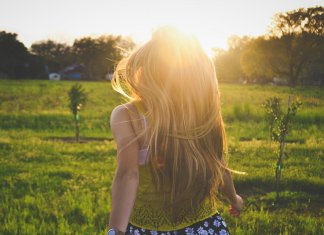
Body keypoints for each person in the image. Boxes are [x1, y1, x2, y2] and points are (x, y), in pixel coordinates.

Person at [108, 26, 243, 235]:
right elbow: (218, 163)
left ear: (145, 68)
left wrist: (115, 230)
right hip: (204, 227)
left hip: (147, 228)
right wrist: (234, 199)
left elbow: (128, 174)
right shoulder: (203, 113)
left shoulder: (128, 115)